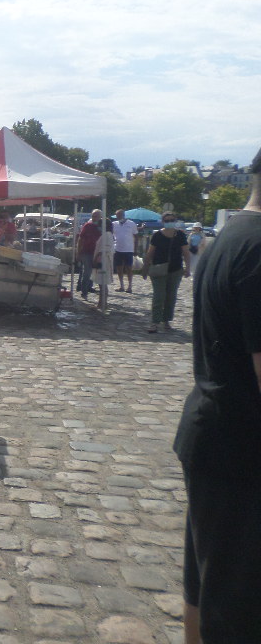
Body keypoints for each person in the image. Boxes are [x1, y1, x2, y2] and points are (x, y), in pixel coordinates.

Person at [173, 147, 261, 643]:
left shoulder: (227, 238)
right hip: (243, 447)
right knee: (237, 604)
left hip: (213, 430)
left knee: (204, 584)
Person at [140, 211, 190, 333]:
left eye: (171, 220)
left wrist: (188, 267)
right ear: (163, 222)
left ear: (175, 220)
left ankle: (166, 320)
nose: (169, 222)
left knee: (171, 296)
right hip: (159, 269)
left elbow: (186, 252)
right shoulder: (157, 235)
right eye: (167, 220)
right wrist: (145, 268)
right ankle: (155, 322)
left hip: (175, 269)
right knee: (159, 296)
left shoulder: (180, 235)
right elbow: (150, 252)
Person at [76, 209, 103, 299]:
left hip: (98, 253)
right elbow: (81, 239)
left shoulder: (103, 227)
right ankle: (84, 292)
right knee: (87, 272)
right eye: (93, 216)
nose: (94, 218)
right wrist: (78, 252)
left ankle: (99, 292)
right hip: (87, 252)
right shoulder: (87, 225)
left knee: (99, 273)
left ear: (100, 217)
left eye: (96, 216)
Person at [112, 208, 138, 293]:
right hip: (118, 249)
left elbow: (136, 236)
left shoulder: (131, 223)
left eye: (120, 215)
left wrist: (135, 249)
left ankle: (130, 286)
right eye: (117, 215)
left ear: (123, 215)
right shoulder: (114, 224)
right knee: (119, 268)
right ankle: (121, 285)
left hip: (128, 249)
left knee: (129, 268)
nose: (118, 217)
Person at [92, 219, 115, 311]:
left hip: (103, 261)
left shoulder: (107, 235)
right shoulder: (106, 235)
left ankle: (102, 303)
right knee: (101, 283)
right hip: (103, 260)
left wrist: (95, 259)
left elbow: (103, 250)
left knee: (102, 282)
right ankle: (101, 302)